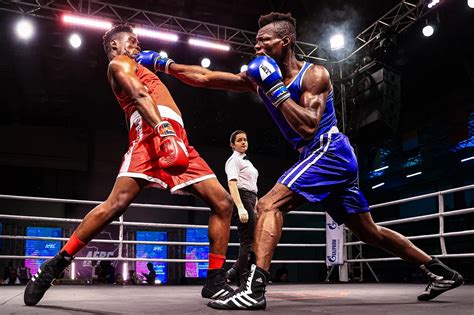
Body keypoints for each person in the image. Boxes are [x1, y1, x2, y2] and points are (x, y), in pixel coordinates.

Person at [135, 12, 464, 310]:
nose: (257, 46)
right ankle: (440, 270)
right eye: (256, 40)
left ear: (285, 41)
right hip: (318, 157)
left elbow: (307, 125)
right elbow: (207, 78)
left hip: (328, 150)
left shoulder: (314, 75)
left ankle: (255, 288)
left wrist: (276, 89)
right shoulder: (257, 75)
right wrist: (166, 64)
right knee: (370, 233)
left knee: (267, 206)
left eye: (265, 40)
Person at [23, 24, 234, 307]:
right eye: (132, 42)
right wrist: (162, 130)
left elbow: (199, 77)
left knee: (222, 202)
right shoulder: (119, 64)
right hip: (154, 134)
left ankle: (214, 280)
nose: (137, 46)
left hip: (176, 139)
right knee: (116, 205)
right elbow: (139, 96)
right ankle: (56, 264)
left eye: (138, 42)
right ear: (114, 47)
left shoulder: (142, 66)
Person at [224, 130, 259, 285]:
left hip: (250, 199)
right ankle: (243, 279)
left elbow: (253, 186)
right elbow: (232, 184)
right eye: (239, 140)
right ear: (232, 145)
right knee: (247, 242)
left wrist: (255, 205)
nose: (243, 142)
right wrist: (240, 207)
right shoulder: (234, 161)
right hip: (242, 198)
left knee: (252, 242)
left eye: (245, 139)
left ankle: (233, 273)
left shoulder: (247, 162)